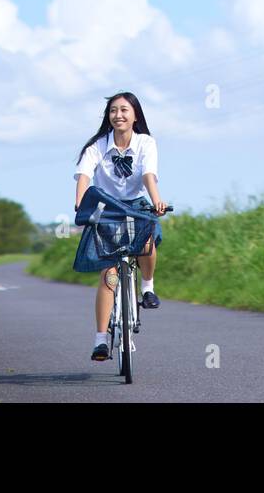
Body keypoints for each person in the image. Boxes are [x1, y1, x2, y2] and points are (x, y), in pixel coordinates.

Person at [73, 91, 167, 362]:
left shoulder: (146, 143)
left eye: (124, 110)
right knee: (109, 274)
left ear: (135, 115)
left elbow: (149, 174)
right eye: (113, 110)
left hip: (137, 206)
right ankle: (101, 340)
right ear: (108, 116)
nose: (119, 115)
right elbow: (84, 175)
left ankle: (147, 288)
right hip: (107, 209)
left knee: (147, 242)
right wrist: (80, 201)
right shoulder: (97, 146)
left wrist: (157, 200)